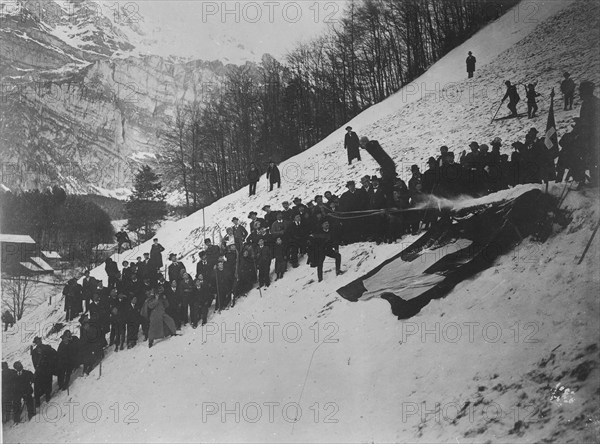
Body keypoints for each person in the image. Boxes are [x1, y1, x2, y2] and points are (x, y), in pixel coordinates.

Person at [577, 80, 600, 186]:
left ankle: (596, 181)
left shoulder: (588, 103)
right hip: (594, 136)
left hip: (592, 137)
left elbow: (589, 123)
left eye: (581, 91)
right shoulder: (595, 101)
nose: (579, 93)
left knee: (593, 158)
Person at [30, 337, 56, 408]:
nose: (39, 342)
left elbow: (53, 354)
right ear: (35, 343)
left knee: (48, 382)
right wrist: (37, 367)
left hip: (47, 369)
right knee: (37, 385)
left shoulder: (47, 347)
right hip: (39, 370)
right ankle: (37, 401)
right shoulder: (34, 351)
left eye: (39, 341)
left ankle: (48, 395)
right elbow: (34, 362)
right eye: (37, 341)